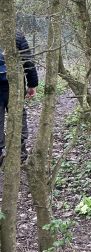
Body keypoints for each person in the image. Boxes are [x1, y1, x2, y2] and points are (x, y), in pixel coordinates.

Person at [0, 31, 39, 167]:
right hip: (15, 85)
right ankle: (19, 155)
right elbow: (28, 60)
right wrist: (32, 84)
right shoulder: (16, 35)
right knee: (18, 117)